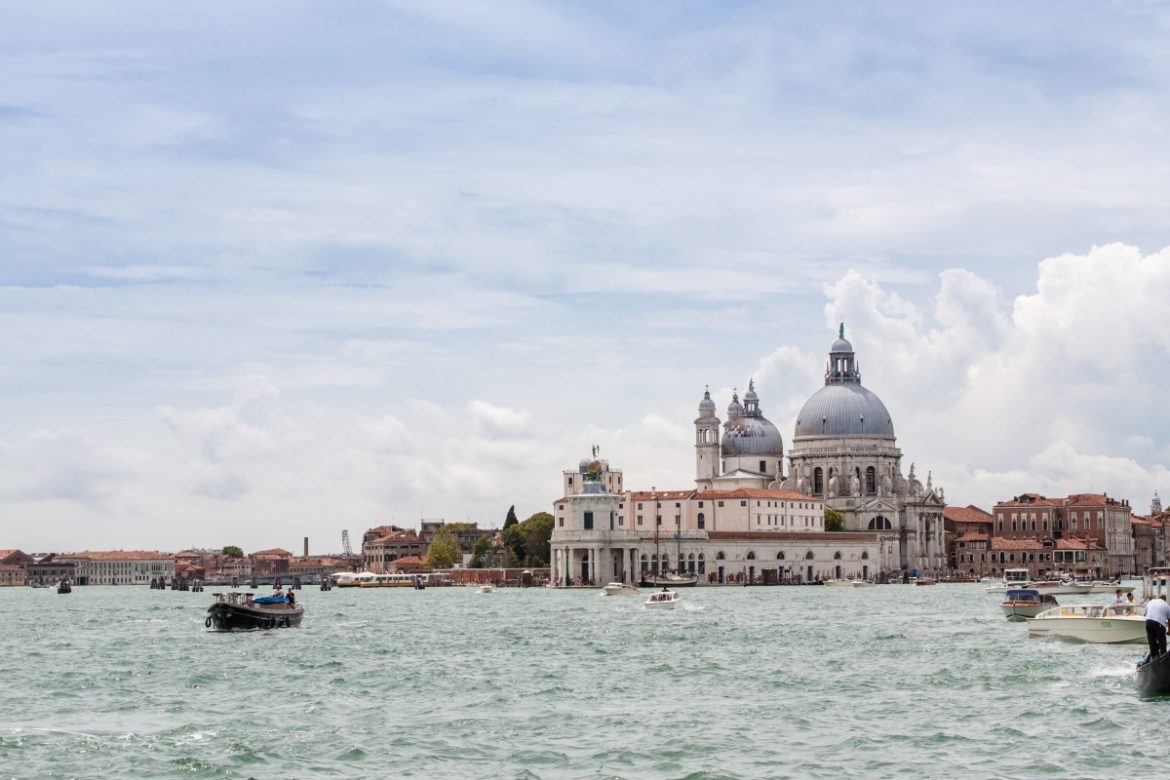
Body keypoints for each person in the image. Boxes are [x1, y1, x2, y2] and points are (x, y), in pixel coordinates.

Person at [1144, 593, 1170, 659]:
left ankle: (1154, 655)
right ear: (1165, 599)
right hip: (1159, 623)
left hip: (1148, 622)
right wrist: (1169, 631)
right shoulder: (1167, 605)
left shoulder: (1151, 602)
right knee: (1162, 641)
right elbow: (1169, 620)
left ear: (1158, 597)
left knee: (1151, 641)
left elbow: (1145, 613)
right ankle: (1163, 655)